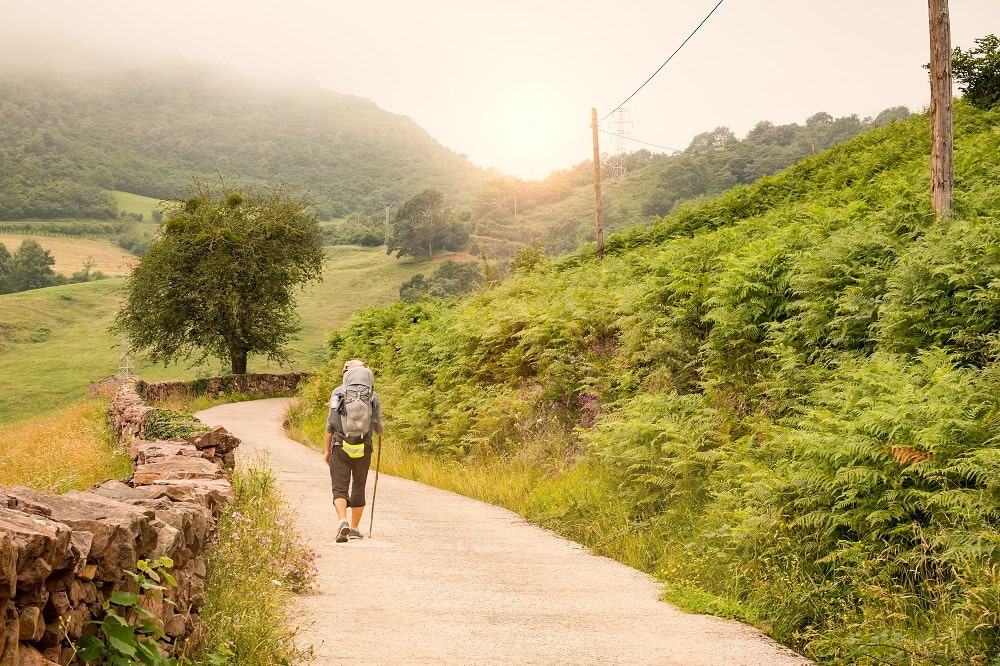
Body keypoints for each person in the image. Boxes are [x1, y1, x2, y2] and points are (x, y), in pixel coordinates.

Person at [324, 359, 383, 543]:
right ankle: (354, 529)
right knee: (359, 486)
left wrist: (327, 450)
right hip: (363, 447)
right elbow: (378, 428)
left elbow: (331, 423)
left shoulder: (338, 393)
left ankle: (343, 521)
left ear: (347, 373)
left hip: (340, 445)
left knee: (339, 487)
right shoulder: (372, 396)